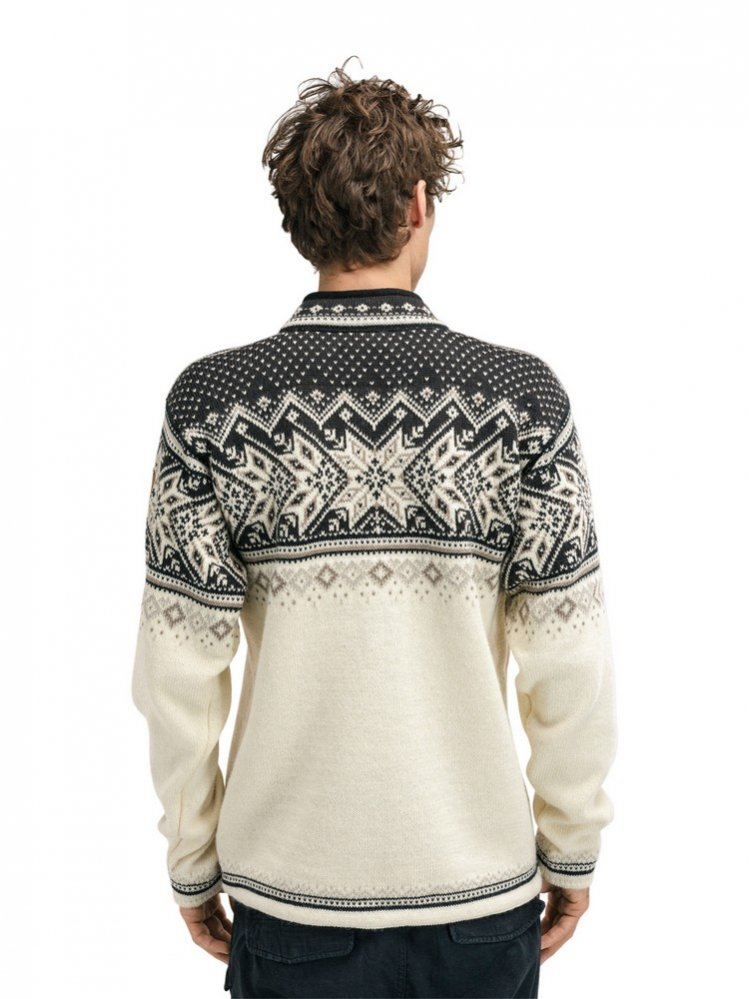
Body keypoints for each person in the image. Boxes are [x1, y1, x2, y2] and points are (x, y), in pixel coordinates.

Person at [132, 57, 618, 999]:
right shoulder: (519, 401)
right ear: (419, 205)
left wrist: (191, 860)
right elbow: (571, 658)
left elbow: (175, 673)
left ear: (298, 220)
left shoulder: (212, 407)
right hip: (479, 899)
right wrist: (572, 847)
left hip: (290, 900)